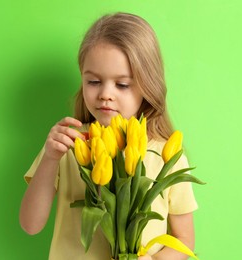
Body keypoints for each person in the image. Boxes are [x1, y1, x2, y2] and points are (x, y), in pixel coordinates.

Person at [19, 12, 198, 260]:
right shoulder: (68, 145)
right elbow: (31, 225)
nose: (105, 94)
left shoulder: (166, 155)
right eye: (93, 81)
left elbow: (184, 239)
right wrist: (49, 159)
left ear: (149, 85)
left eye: (122, 85)